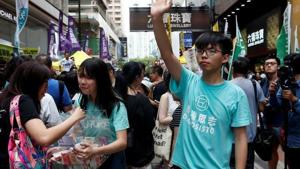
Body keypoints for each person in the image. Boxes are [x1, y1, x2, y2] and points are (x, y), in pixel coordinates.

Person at [151, 1, 251, 168]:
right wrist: (156, 18)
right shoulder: (189, 82)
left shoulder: (236, 94)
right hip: (182, 165)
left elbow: (241, 138)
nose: (204, 55)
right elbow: (167, 55)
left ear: (225, 58)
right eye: (200, 50)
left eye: (212, 51)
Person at [0, 61, 85, 169]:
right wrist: (74, 117)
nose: (45, 91)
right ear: (33, 84)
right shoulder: (23, 101)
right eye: (44, 84)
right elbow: (44, 137)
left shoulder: (6, 98)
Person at [73, 57, 129, 169]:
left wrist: (96, 150)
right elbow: (77, 131)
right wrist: (77, 144)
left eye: (89, 77)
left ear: (101, 79)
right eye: (81, 76)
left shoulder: (117, 106)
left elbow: (122, 142)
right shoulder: (79, 101)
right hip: (88, 158)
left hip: (112, 160)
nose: (83, 81)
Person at [230, 57, 266, 169]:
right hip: (249, 136)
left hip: (230, 137)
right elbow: (261, 108)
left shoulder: (227, 85)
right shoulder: (255, 84)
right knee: (248, 165)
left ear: (233, 69)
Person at [119, 61, 155, 168]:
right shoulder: (141, 100)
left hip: (121, 152)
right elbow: (150, 125)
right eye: (142, 73)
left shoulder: (117, 97)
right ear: (137, 77)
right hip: (140, 153)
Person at [270, 54, 300, 169]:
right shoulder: (285, 84)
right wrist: (272, 94)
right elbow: (276, 107)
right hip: (289, 139)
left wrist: (294, 100)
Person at [259, 55, 283, 169]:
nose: (269, 65)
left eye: (272, 63)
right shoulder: (262, 82)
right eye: (267, 63)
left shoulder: (283, 82)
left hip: (281, 122)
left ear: (278, 66)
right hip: (267, 121)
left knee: (287, 150)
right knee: (271, 150)